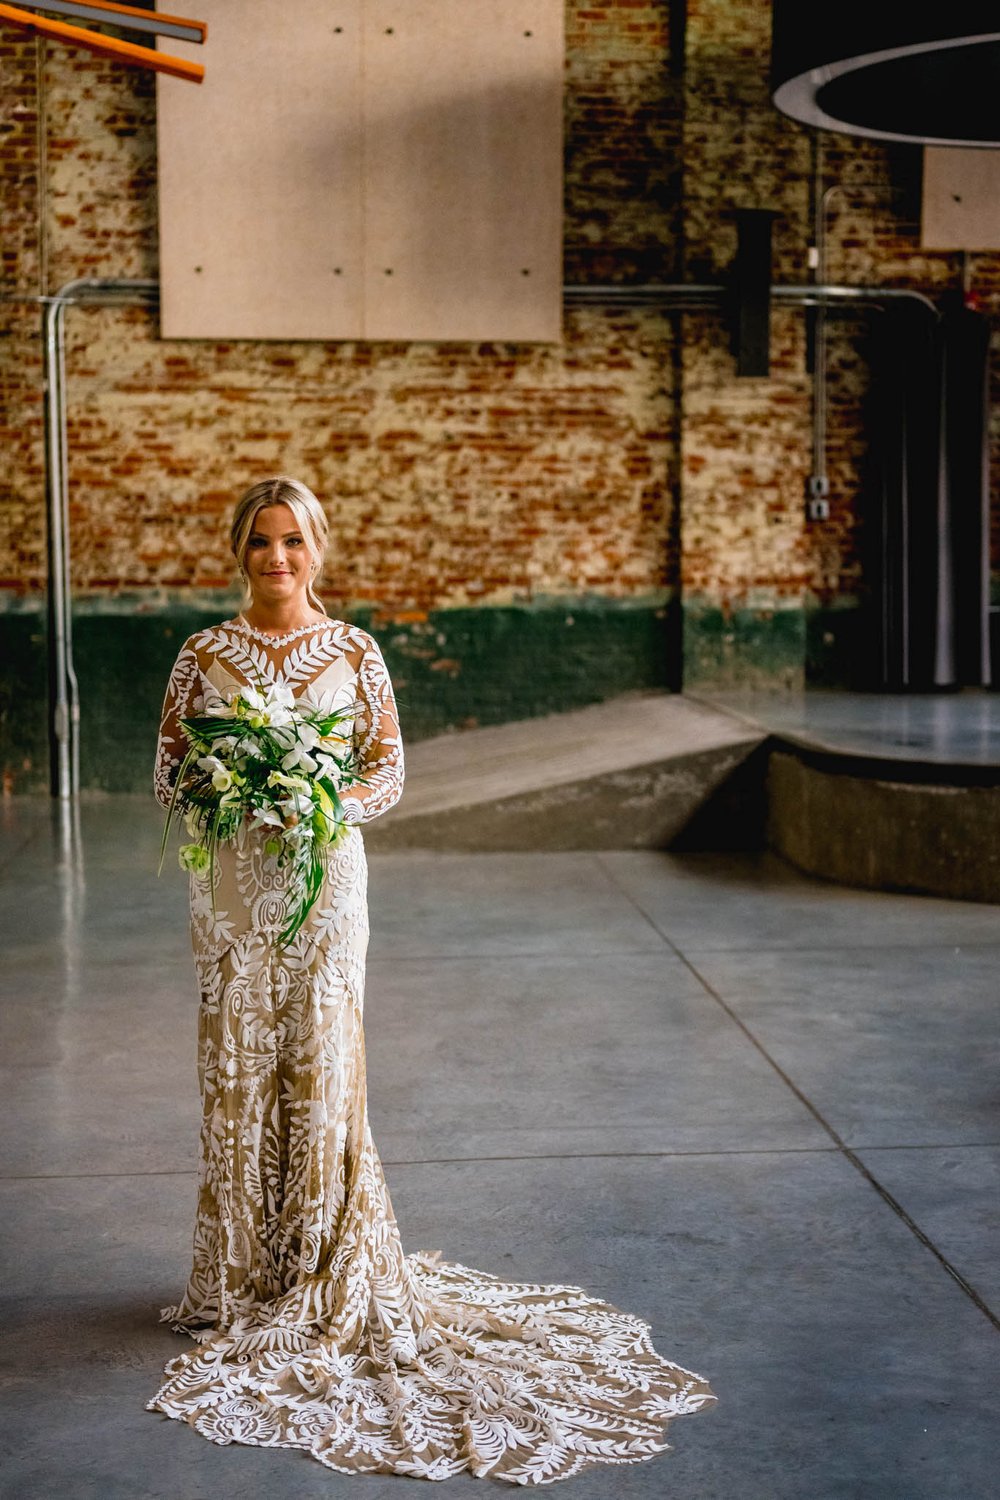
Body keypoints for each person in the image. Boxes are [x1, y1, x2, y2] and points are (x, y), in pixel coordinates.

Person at [147, 474, 715, 1483]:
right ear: (237, 551)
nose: (277, 560)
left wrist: (322, 797)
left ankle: (322, 1272)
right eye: (260, 544)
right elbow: (166, 772)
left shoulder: (356, 651)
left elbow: (389, 770)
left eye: (293, 543)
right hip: (233, 890)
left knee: (323, 1062)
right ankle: (242, 1276)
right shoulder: (202, 655)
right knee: (239, 1063)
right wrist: (229, 788)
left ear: (319, 548)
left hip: (326, 884)